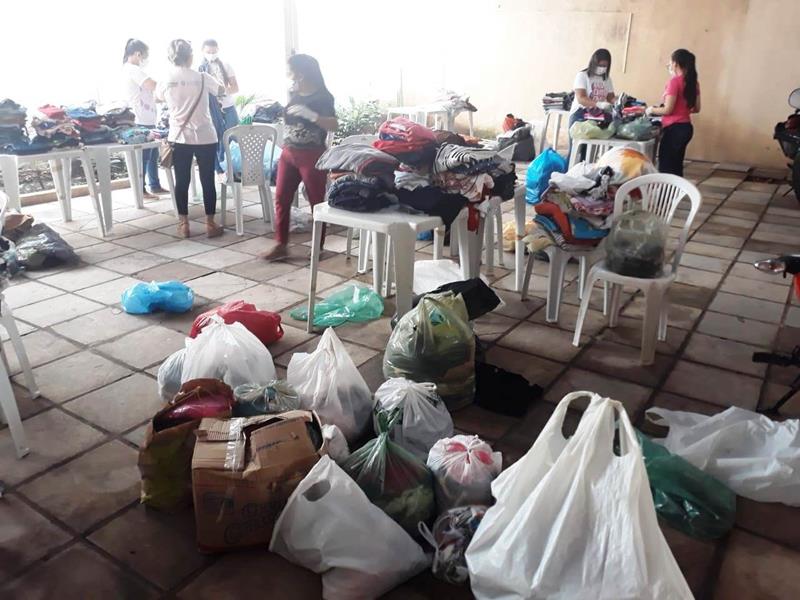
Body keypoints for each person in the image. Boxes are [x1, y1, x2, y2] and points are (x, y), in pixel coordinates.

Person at [261, 54, 337, 261]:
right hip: (289, 152)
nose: (288, 74)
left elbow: (334, 124)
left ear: (301, 73)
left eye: (290, 70)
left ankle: (318, 246)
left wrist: (313, 116)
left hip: (311, 154)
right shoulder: (294, 92)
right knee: (281, 197)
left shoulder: (323, 97)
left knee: (315, 201)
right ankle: (281, 244)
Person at [156, 39, 225, 238]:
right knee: (207, 180)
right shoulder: (203, 77)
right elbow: (221, 90)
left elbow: (158, 97)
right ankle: (210, 223)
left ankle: (184, 224)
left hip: (180, 137)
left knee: (182, 180)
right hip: (206, 135)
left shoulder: (166, 79)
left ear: (171, 58)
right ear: (191, 56)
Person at [121, 39, 166, 199]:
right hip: (140, 119)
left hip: (147, 118)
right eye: (145, 55)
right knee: (143, 157)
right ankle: (141, 190)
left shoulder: (132, 69)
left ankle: (155, 185)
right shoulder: (133, 69)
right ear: (138, 54)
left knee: (152, 155)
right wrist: (168, 87)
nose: (145, 59)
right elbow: (152, 85)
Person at [647, 49, 701, 176]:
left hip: (674, 130)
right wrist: (682, 109)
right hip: (686, 128)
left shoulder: (674, 82)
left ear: (676, 63)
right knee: (677, 166)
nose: (669, 65)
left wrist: (651, 110)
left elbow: (668, 109)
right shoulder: (694, 83)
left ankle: (666, 189)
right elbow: (696, 108)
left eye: (670, 62)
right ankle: (677, 188)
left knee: (666, 167)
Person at [199, 39, 240, 181]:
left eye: (214, 51)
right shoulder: (200, 69)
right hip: (211, 109)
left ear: (218, 50)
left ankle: (233, 167)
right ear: (203, 51)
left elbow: (235, 87)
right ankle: (219, 170)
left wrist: (220, 91)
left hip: (228, 106)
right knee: (215, 139)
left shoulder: (226, 66)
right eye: (208, 52)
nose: (211, 54)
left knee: (232, 137)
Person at [568, 48, 616, 155]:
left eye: (605, 66)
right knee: (576, 152)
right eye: (600, 65)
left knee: (589, 153)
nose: (602, 68)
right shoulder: (582, 76)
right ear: (593, 63)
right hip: (580, 115)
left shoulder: (607, 79)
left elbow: (610, 97)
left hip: (597, 117)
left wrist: (618, 102)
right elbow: (581, 98)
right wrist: (598, 104)